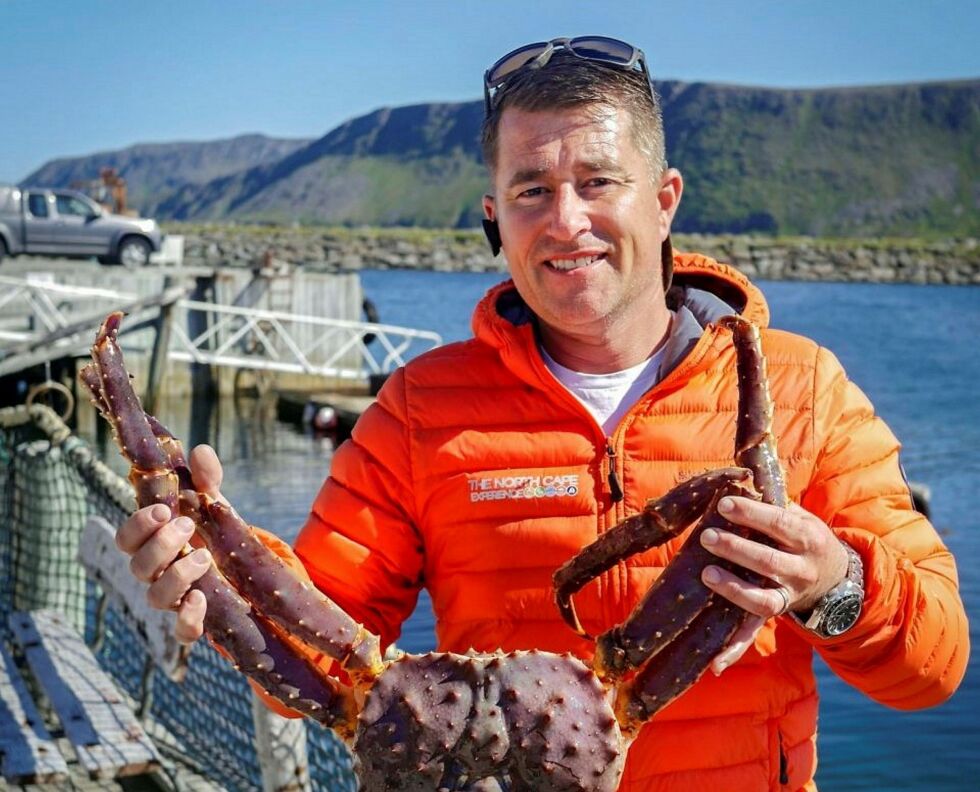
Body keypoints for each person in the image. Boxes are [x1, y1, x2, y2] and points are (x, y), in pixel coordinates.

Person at [117, 37, 969, 791]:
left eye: (597, 182)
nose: (566, 221)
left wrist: (832, 584)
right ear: (494, 215)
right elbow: (312, 664)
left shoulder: (797, 389)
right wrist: (215, 571)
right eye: (531, 190)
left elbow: (934, 668)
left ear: (664, 198)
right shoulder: (421, 408)